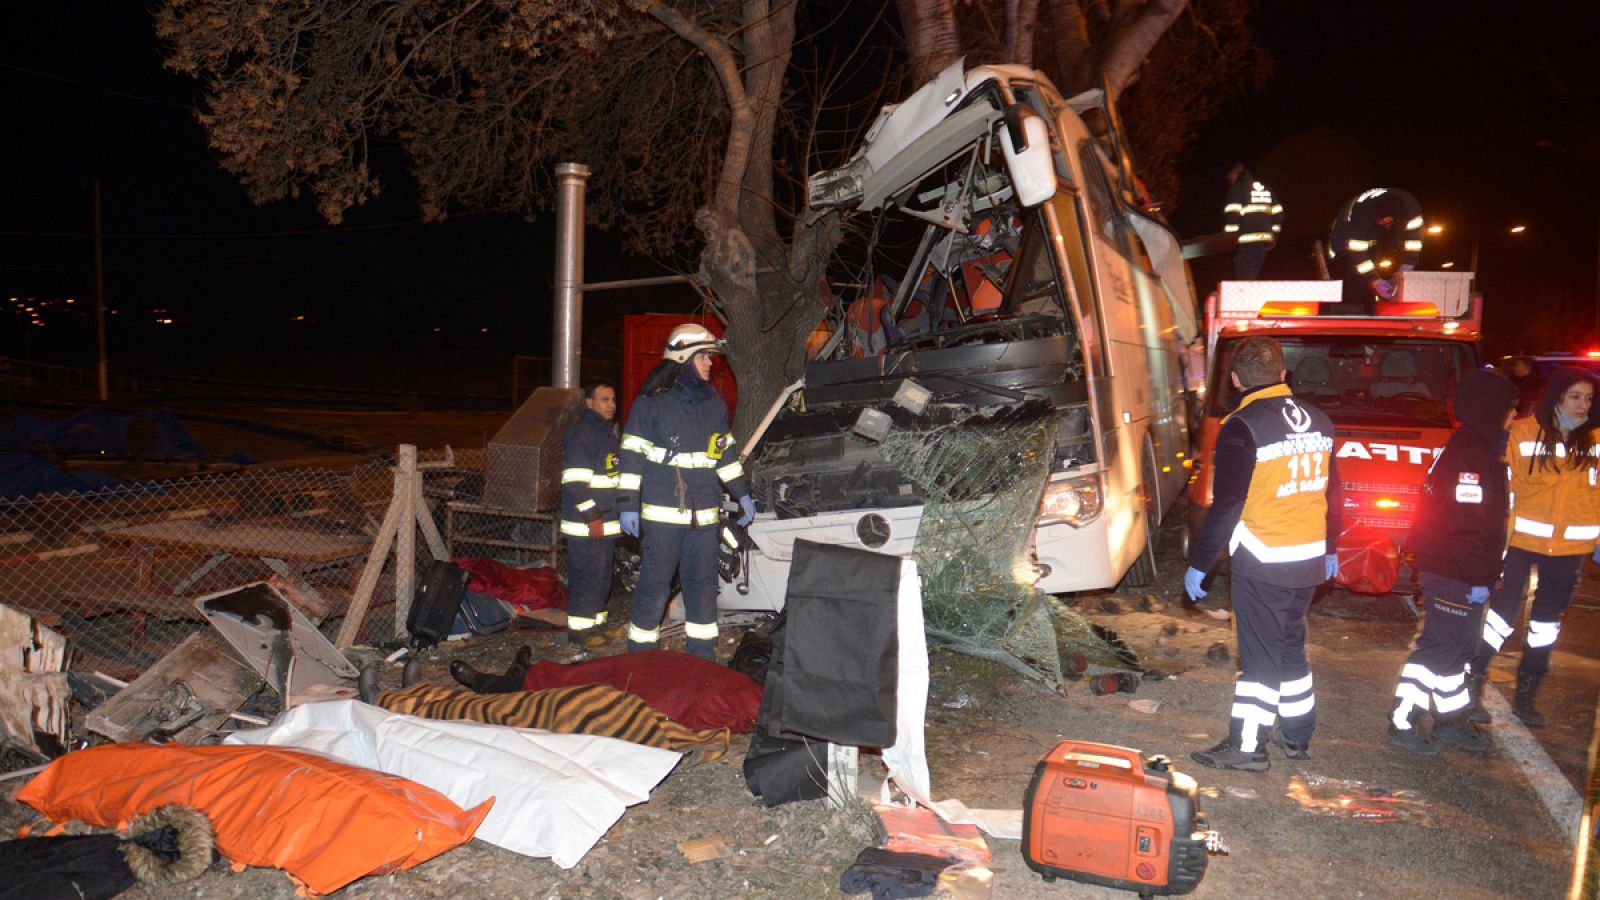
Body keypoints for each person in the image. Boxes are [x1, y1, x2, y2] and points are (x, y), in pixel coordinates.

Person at [1184, 336, 1342, 771]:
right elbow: (1336, 491)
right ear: (1283, 375)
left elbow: (1229, 504)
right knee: (1290, 648)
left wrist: (1200, 562)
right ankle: (1297, 735)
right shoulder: (1321, 421)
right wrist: (1331, 546)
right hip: (1307, 561)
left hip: (1264, 560)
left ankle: (1247, 748)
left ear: (1236, 380)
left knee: (1259, 660)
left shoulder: (1244, 426)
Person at [1387, 369, 1519, 756]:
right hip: (1453, 570)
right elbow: (1466, 524)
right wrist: (1479, 576)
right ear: (1489, 409)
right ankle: (1402, 720)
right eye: (1508, 409)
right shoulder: (1471, 455)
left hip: (1460, 569)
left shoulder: (1478, 448)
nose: (1512, 417)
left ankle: (1449, 719)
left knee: (1459, 649)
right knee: (1440, 649)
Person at [1467, 367, 1600, 728]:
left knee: (1546, 626)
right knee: (1501, 616)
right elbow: (1502, 489)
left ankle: (1527, 695)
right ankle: (1472, 683)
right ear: (1556, 396)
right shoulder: (1522, 432)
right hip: (1520, 543)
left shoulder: (1596, 439)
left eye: (1588, 398)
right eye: (1575, 396)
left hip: (1571, 550)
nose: (1582, 405)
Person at [616, 324, 755, 660]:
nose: (710, 363)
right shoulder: (651, 405)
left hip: (704, 520)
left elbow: (724, 457)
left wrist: (742, 493)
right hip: (664, 519)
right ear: (684, 356)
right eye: (704, 356)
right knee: (653, 588)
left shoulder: (714, 405)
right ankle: (641, 658)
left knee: (703, 589)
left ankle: (701, 657)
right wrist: (627, 505)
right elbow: (631, 459)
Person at [559, 378, 621, 647]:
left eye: (613, 400)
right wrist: (593, 517)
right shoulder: (585, 434)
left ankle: (596, 625)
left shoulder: (604, 432)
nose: (611, 405)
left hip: (605, 522)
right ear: (589, 403)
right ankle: (580, 633)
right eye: (604, 400)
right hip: (587, 525)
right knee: (587, 577)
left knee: (602, 576)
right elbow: (575, 484)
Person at [1327, 188, 1424, 309]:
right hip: (1344, 237)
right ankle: (1352, 309)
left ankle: (1377, 303)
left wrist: (1407, 267)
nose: (1383, 223)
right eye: (1381, 221)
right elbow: (1356, 251)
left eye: (1387, 221)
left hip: (1376, 233)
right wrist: (1374, 279)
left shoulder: (1410, 208)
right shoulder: (1362, 214)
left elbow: (1415, 240)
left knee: (1383, 264)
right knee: (1355, 277)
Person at [1222, 163, 1283, 280]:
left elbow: (1232, 216)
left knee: (1243, 277)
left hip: (1246, 241)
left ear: (1236, 175)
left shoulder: (1237, 189)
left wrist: (1229, 240)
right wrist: (1274, 235)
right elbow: (1279, 214)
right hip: (1265, 241)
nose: (1229, 181)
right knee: (1253, 274)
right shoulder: (1265, 188)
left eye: (1230, 177)